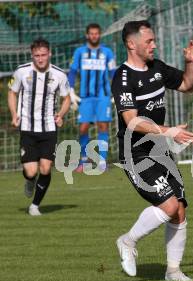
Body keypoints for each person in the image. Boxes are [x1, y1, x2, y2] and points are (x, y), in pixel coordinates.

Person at [112, 20, 193, 281]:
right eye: (149, 41)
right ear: (132, 44)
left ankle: (173, 271)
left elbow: (187, 85)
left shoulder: (157, 67)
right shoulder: (123, 77)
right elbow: (132, 121)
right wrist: (169, 131)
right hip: (136, 155)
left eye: (153, 40)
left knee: (180, 209)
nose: (154, 45)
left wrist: (192, 62)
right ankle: (127, 241)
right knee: (169, 204)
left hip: (161, 153)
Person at [7, 38, 71, 216]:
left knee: (45, 168)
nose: (40, 59)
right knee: (31, 171)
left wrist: (61, 114)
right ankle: (29, 180)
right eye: (37, 56)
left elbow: (66, 98)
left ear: (49, 54)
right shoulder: (21, 72)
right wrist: (14, 114)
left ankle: (35, 205)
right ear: (32, 55)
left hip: (49, 128)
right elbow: (12, 92)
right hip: (27, 127)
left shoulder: (59, 75)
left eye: (43, 55)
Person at [68, 23, 116, 172]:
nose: (94, 36)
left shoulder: (107, 52)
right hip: (85, 97)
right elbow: (72, 71)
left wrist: (117, 92)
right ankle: (84, 160)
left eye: (97, 33)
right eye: (92, 33)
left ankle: (102, 162)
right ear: (87, 35)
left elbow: (113, 73)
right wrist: (70, 90)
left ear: (99, 35)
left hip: (103, 96)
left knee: (103, 126)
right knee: (83, 128)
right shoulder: (79, 52)